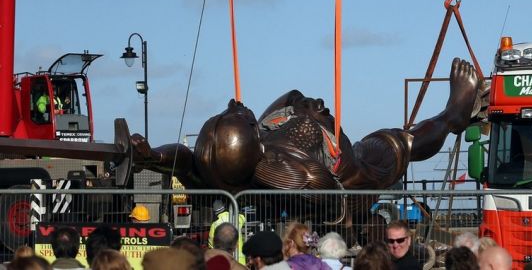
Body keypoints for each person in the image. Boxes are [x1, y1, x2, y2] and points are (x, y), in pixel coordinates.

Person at [130, 59, 486, 220]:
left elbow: (183, 155)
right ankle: (451, 117)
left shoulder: (251, 147)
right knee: (401, 144)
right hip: (352, 170)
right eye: (240, 114)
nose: (236, 103)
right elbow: (329, 195)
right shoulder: (288, 171)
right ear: (250, 138)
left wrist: (153, 157)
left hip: (325, 153)